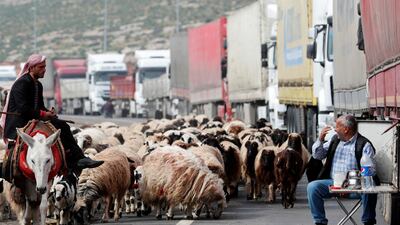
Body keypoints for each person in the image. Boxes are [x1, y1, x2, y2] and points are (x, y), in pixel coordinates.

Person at [0, 54, 103, 181]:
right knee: (60, 126)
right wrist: (43, 115)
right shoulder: (22, 83)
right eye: (41, 67)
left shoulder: (38, 85)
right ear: (32, 68)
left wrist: (48, 112)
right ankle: (9, 170)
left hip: (33, 119)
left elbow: (40, 106)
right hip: (20, 122)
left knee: (63, 126)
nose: (44, 70)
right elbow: (23, 109)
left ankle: (78, 158)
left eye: (45, 67)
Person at [307, 114, 378, 225]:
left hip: (356, 185)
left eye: (337, 126)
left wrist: (356, 179)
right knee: (312, 187)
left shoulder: (364, 144)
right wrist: (320, 139)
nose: (335, 129)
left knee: (369, 188)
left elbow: (371, 171)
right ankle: (319, 222)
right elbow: (317, 156)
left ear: (346, 129)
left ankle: (368, 221)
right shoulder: (334, 140)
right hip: (333, 183)